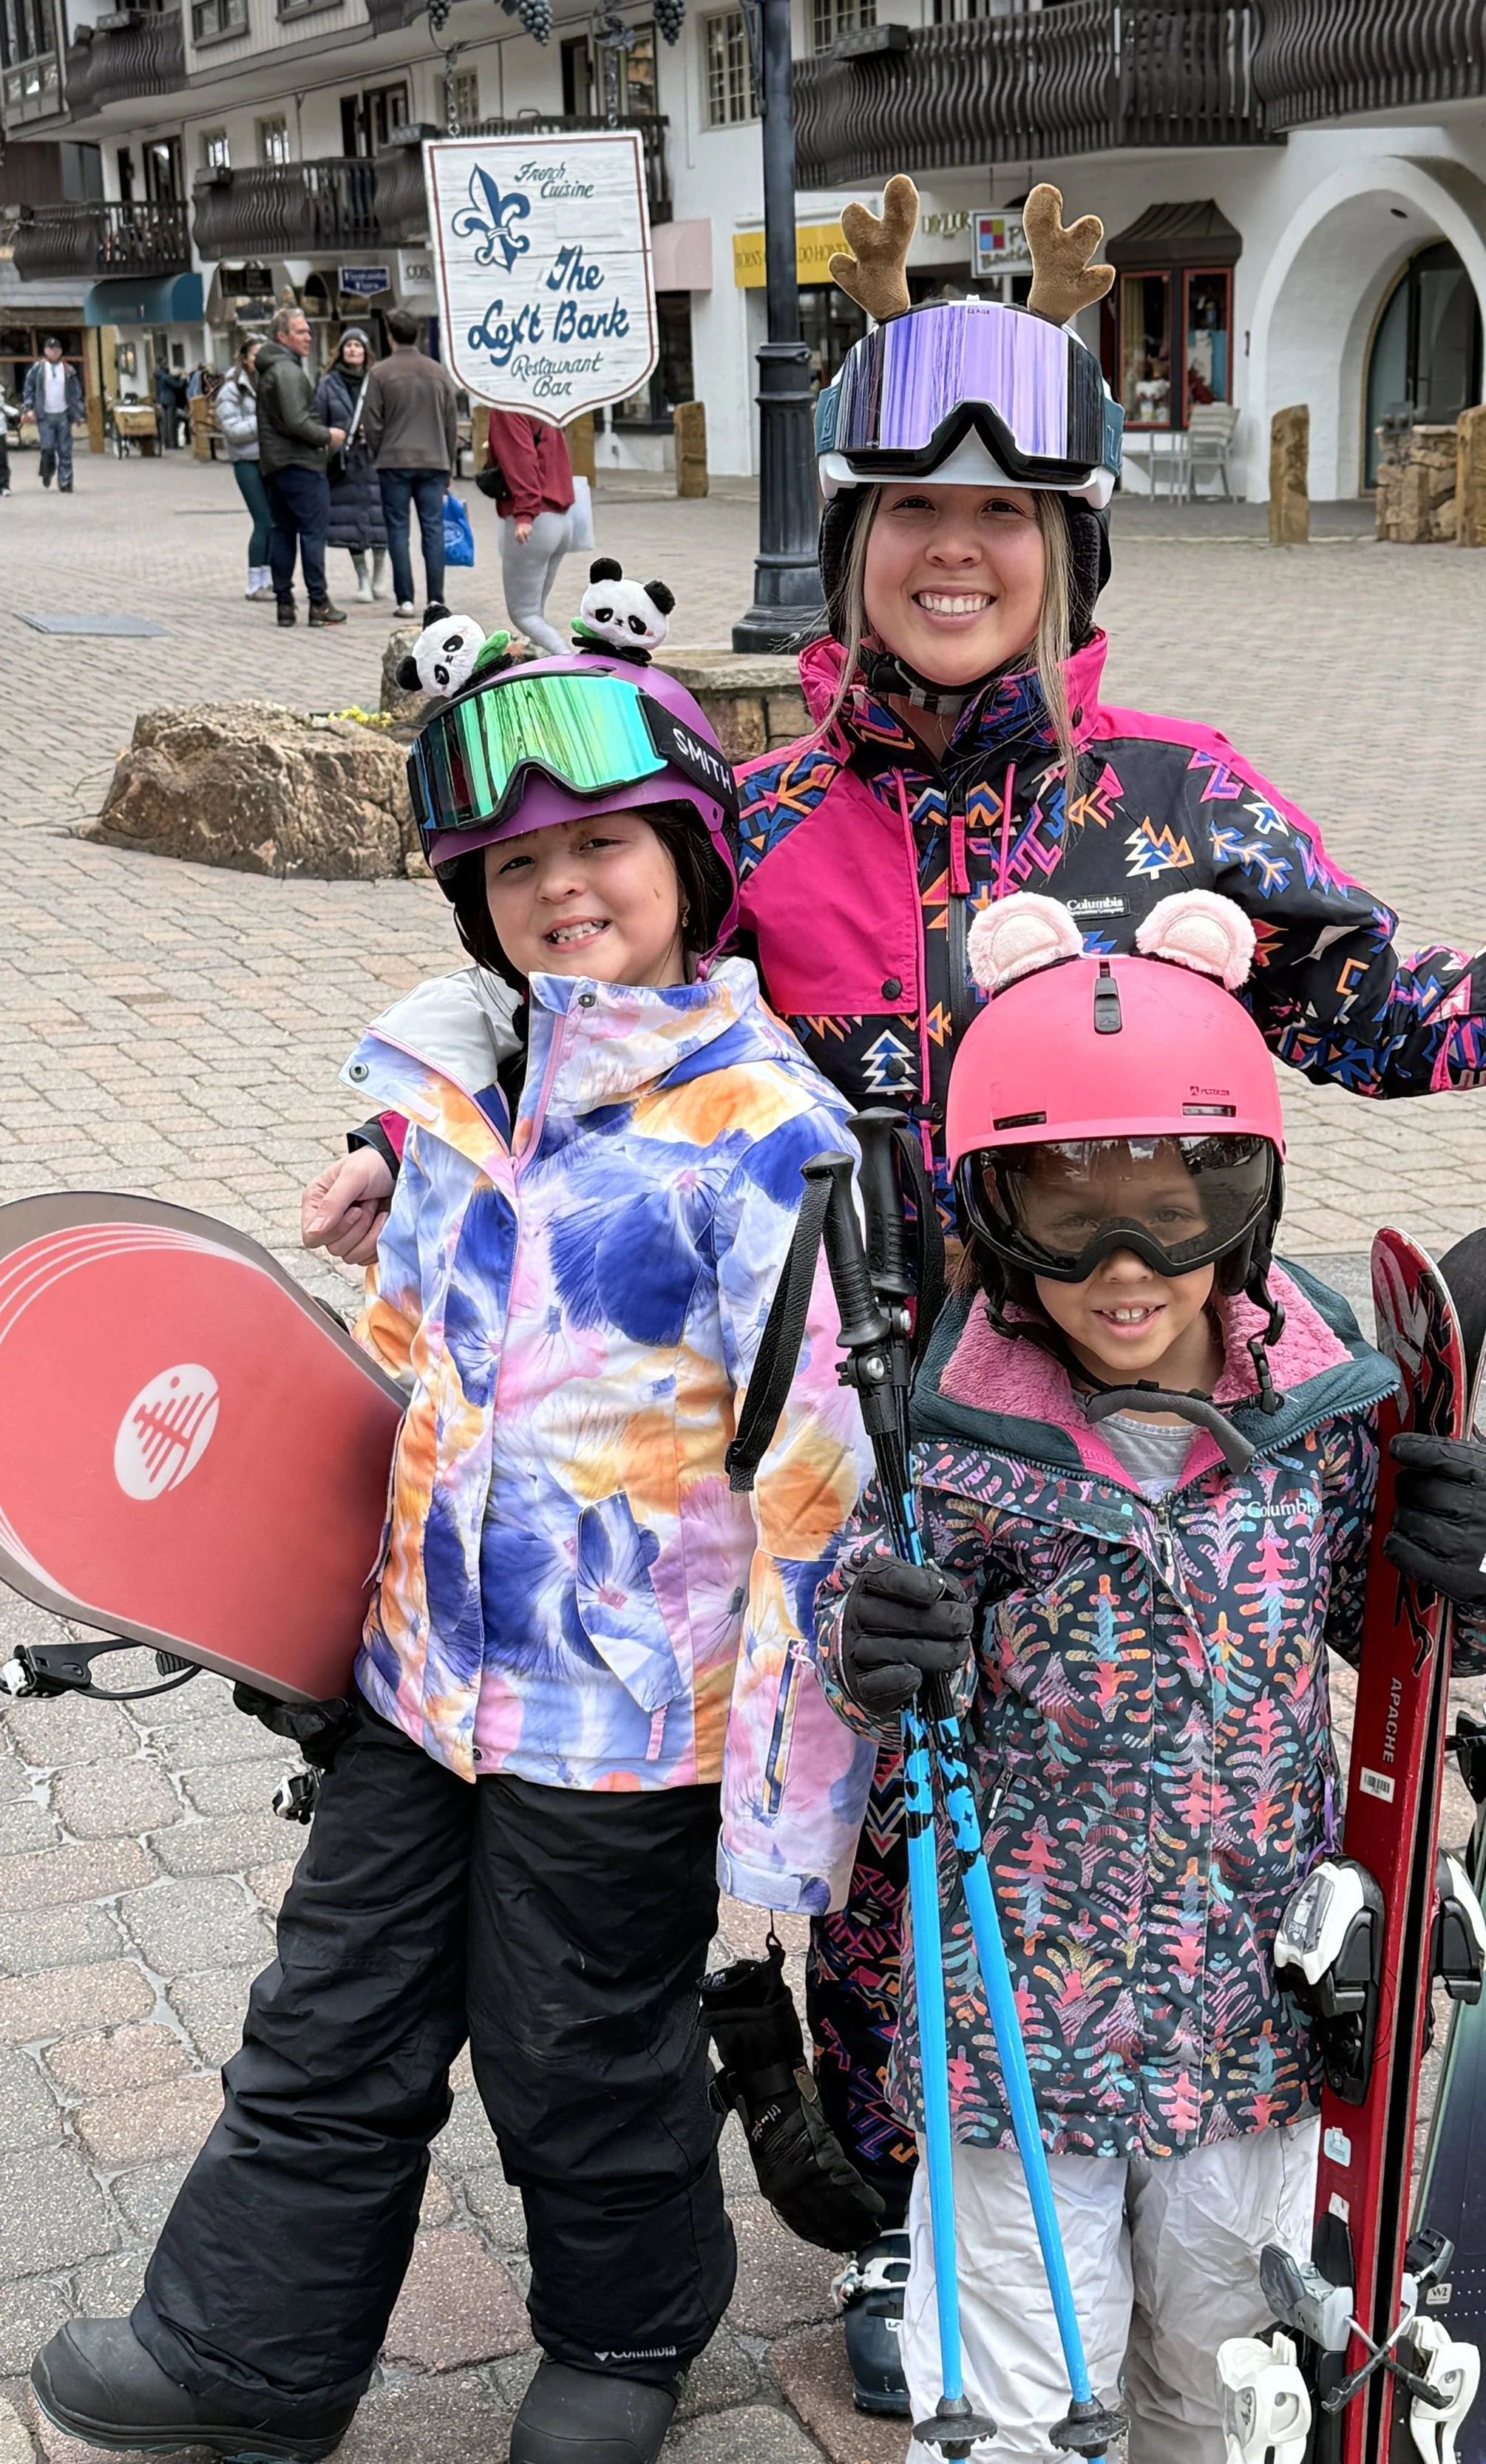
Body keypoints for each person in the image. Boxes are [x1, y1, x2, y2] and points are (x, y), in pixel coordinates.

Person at [298, 173, 1486, 2416]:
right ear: (849, 550)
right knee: (893, 1850)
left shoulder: (1168, 794)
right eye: (909, 511)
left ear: (1066, 559)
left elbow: (1372, 1009)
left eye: (1004, 521)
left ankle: (1210, 2196)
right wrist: (409, 1120)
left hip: (1130, 1393)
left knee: (1150, 1791)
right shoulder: (770, 803)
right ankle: (930, 2225)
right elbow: (588, 996)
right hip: (856, 1424)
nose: (953, 551)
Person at [29, 645, 876, 2464]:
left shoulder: (766, 1136)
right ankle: (241, 2350)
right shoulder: (455, 1097)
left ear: (692, 857)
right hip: (417, 1686)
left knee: (585, 2048)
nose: (563, 888)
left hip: (624, 1720)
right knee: (331, 2011)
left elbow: (818, 1489)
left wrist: (790, 1818)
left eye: (605, 847)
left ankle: (623, 2340)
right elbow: (403, 1379)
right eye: (515, 868)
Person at [812, 884, 1486, 2463]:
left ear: (1247, 1202)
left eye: (1177, 1204)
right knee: (1014, 2376)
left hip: (1254, 2009)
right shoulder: (949, 1431)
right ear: (992, 1216)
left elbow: (1412, 1648)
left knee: (1220, 2368)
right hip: (1013, 2003)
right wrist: (865, 1636)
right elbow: (855, 1610)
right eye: (1062, 1209)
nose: (1121, 1264)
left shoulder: (1319, 1415)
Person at [255, 305, 347, 630]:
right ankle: (319, 604)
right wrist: (327, 436)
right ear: (282, 336)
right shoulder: (287, 372)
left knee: (283, 533)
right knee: (311, 534)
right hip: (301, 463)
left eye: (308, 331)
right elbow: (297, 420)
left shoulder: (272, 369)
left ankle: (284, 603)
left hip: (276, 464)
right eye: (301, 331)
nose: (308, 336)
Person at [363, 307, 458, 618]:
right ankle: (436, 599)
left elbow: (372, 423)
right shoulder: (438, 372)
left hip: (393, 461)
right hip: (434, 460)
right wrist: (449, 463)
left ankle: (404, 599)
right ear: (418, 335)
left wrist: (380, 454)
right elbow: (450, 422)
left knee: (397, 530)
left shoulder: (379, 373)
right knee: (433, 528)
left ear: (390, 337)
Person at [489, 407, 577, 654]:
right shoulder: (544, 403)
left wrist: (525, 513)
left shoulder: (508, 405)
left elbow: (520, 458)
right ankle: (546, 667)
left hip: (535, 520)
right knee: (535, 612)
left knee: (524, 615)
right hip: (561, 517)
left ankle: (567, 664)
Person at [314, 327, 388, 602]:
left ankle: (380, 571)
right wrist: (331, 439)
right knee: (350, 525)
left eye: (358, 345)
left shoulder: (378, 379)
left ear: (366, 351)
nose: (353, 350)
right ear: (341, 351)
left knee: (381, 521)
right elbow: (319, 419)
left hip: (375, 458)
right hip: (345, 461)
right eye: (348, 346)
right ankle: (363, 578)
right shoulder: (328, 384)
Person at [214, 336, 271, 600]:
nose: (260, 360)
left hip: (270, 459)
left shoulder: (270, 383)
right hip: (246, 460)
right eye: (255, 355)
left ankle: (268, 579)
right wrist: (264, 423)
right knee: (262, 521)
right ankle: (253, 583)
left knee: (275, 522)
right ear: (245, 358)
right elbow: (232, 429)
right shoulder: (233, 388)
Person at [23, 337, 83, 493]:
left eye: (57, 349)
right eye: (51, 349)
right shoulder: (38, 369)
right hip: (45, 415)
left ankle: (65, 481)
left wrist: (78, 414)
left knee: (65, 449)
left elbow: (76, 393)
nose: (54, 352)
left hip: (63, 413)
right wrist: (29, 408)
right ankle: (47, 472)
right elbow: (29, 388)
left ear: (61, 351)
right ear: (45, 351)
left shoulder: (68, 370)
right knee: (47, 448)